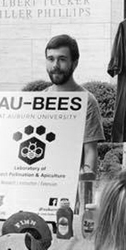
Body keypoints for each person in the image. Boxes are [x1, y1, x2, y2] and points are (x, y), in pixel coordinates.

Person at [43, 34, 105, 173]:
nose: (55, 66)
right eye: (50, 59)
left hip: (72, 186)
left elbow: (90, 151)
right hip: (43, 184)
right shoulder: (40, 99)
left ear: (75, 63)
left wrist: (87, 188)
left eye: (62, 59)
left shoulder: (87, 101)